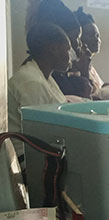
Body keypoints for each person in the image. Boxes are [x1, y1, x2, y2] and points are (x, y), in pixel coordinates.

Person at [7, 23, 70, 158]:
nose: (70, 57)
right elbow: (39, 134)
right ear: (53, 49)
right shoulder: (32, 82)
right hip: (27, 158)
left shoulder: (44, 77)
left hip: (41, 152)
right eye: (68, 50)